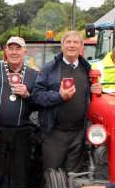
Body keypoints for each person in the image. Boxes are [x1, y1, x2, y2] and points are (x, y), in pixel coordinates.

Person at [31, 31, 102, 174]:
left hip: (79, 134)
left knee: (73, 177)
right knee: (52, 176)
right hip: (54, 134)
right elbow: (37, 97)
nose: (72, 45)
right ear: (62, 46)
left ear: (81, 47)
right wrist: (59, 96)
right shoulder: (49, 68)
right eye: (68, 42)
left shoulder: (87, 69)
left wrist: (98, 90)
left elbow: (91, 98)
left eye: (76, 42)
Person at [0, 36, 37, 188]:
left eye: (18, 48)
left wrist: (27, 94)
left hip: (22, 131)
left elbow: (38, 103)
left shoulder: (33, 74)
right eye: (10, 48)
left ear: (25, 51)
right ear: (5, 51)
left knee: (20, 173)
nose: (14, 52)